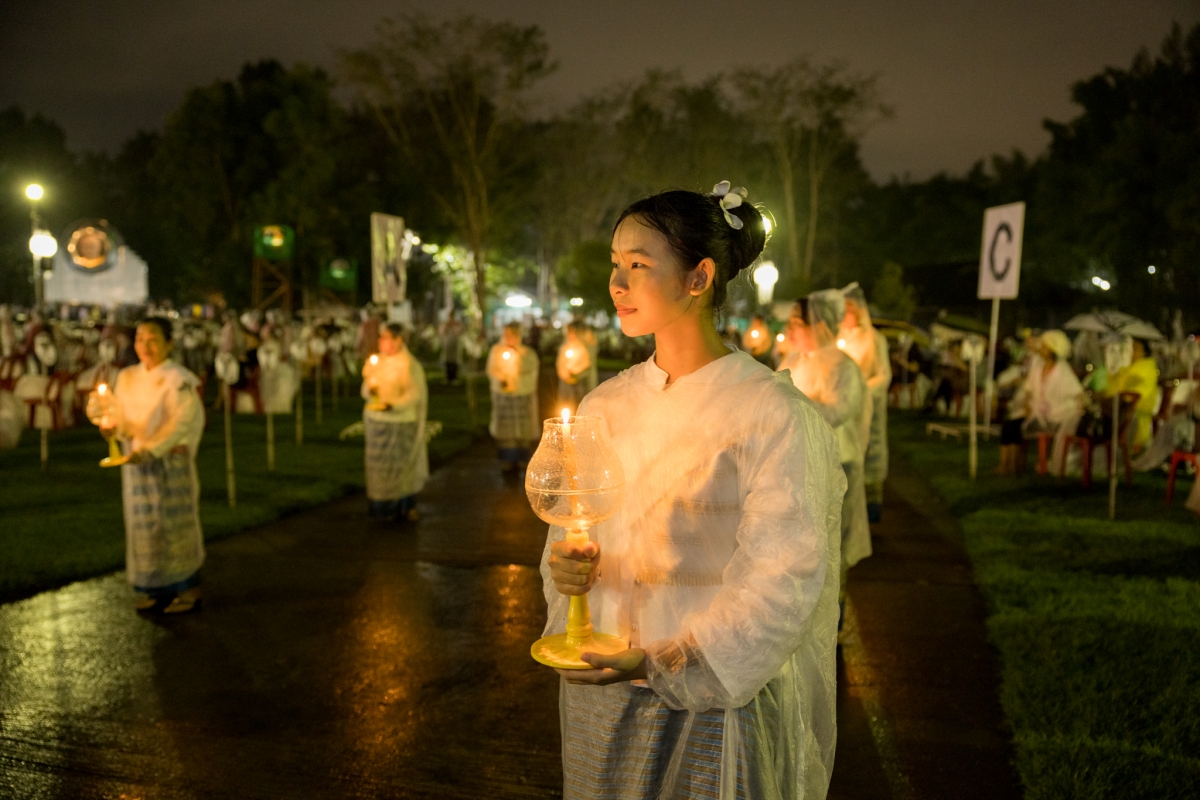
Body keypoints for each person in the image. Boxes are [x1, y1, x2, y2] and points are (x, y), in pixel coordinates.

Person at [542, 183, 844, 799]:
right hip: (606, 698)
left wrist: (667, 663)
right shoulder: (606, 405)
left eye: (639, 265)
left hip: (717, 707)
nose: (617, 284)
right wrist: (569, 572)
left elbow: (782, 579)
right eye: (615, 264)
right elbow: (572, 535)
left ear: (699, 278)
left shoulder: (768, 413)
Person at [97, 318, 205, 614]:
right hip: (136, 467)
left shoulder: (178, 379)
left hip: (169, 467)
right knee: (144, 527)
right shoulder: (127, 376)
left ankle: (187, 588)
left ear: (169, 343)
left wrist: (153, 450)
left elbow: (182, 422)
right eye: (140, 338)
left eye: (153, 338)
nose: (145, 345)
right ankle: (153, 588)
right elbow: (120, 416)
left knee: (172, 525)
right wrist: (112, 429)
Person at [779, 292, 872, 583]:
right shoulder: (792, 360)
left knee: (831, 548)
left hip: (836, 465)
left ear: (819, 325)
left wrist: (793, 404)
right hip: (796, 464)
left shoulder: (843, 367)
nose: (789, 330)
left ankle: (836, 618)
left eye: (796, 322)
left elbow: (839, 411)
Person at [361, 323, 428, 522]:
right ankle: (382, 507)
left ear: (398, 340)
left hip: (400, 422)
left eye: (385, 337)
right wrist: (370, 391)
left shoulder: (409, 364)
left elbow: (414, 394)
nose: (381, 341)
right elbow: (365, 388)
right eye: (380, 337)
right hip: (378, 422)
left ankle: (404, 506)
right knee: (379, 468)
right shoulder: (376, 363)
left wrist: (394, 405)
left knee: (401, 465)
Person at [841, 283, 891, 522]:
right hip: (846, 408)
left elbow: (883, 374)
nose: (844, 314)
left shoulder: (874, 340)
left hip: (867, 405)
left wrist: (864, 389)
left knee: (870, 450)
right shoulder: (840, 339)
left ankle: (871, 509)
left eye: (849, 309)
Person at [1011, 330, 1084, 473]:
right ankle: (1010, 466)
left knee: (1015, 427)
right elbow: (1029, 388)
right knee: (1011, 426)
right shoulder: (1038, 367)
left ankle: (1016, 467)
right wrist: (1027, 405)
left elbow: (1078, 394)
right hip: (1039, 413)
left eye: (1045, 346)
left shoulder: (1063, 371)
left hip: (1058, 416)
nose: (1041, 349)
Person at [486, 321, 540, 471]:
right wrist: (502, 380)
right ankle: (508, 460)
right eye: (507, 334)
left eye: (513, 334)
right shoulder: (497, 351)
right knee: (507, 429)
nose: (510, 338)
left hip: (522, 395)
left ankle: (523, 458)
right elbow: (493, 369)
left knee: (523, 427)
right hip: (504, 397)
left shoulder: (527, 353)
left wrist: (516, 355)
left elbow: (529, 366)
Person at [1101, 338, 1160, 453]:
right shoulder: (1128, 366)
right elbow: (1112, 385)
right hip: (1117, 407)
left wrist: (1122, 397)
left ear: (1144, 352)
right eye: (1131, 348)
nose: (1132, 351)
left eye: (1136, 348)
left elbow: (1139, 393)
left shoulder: (1146, 367)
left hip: (1132, 411)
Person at [555, 321, 592, 415]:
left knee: (578, 404)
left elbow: (586, 363)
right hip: (566, 382)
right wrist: (565, 374)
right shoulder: (565, 347)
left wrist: (575, 372)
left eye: (572, 332)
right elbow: (560, 364)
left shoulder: (582, 348)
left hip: (579, 383)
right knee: (566, 404)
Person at [439, 312, 463, 385]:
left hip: (455, 345)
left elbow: (459, 332)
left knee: (454, 362)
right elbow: (442, 332)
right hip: (447, 345)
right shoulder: (446, 324)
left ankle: (454, 378)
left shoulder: (457, 324)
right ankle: (448, 377)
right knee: (448, 362)